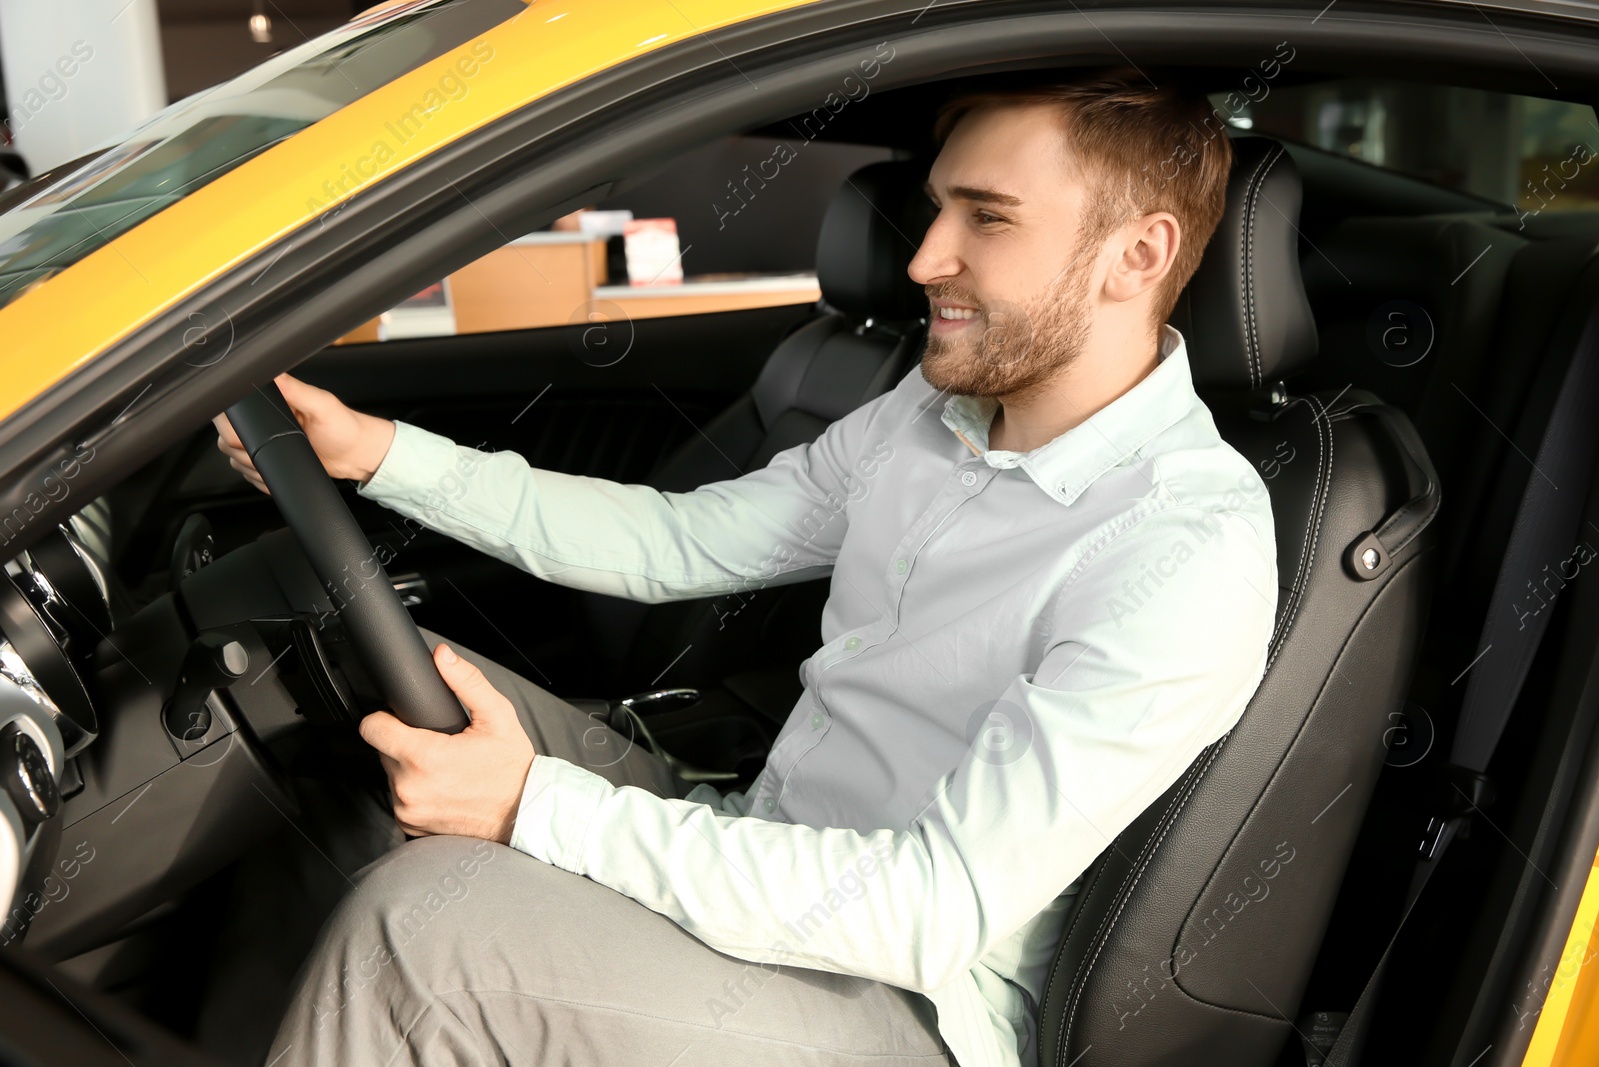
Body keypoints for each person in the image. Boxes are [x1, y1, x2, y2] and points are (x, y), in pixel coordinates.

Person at [218, 68, 1277, 1067]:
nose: (921, 259)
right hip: (757, 832)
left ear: (1136, 255)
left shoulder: (1182, 546)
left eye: (986, 217)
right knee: (357, 668)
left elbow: (927, 907)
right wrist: (380, 455)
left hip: (903, 1006)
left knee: (422, 936)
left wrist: (532, 805)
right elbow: (679, 541)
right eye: (938, 206)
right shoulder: (927, 415)